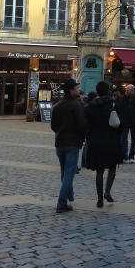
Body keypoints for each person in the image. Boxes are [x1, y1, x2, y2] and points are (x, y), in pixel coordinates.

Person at [84, 81, 123, 207]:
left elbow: (87, 124)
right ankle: (107, 192)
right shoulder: (113, 104)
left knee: (99, 170)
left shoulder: (90, 106)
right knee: (112, 166)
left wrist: (90, 136)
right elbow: (120, 122)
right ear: (107, 91)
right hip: (111, 138)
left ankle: (99, 199)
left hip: (96, 138)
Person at [51, 78, 86, 213]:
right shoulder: (77, 105)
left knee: (64, 171)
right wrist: (83, 136)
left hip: (59, 142)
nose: (79, 90)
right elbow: (82, 124)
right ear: (71, 91)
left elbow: (53, 126)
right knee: (69, 173)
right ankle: (61, 203)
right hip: (72, 143)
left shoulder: (57, 106)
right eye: (77, 88)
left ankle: (69, 194)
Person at [120, 84, 135, 164]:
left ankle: (131, 156)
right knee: (124, 140)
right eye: (126, 90)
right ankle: (125, 156)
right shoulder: (123, 98)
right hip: (125, 122)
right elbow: (120, 110)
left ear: (132, 91)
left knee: (134, 140)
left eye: (128, 90)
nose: (126, 91)